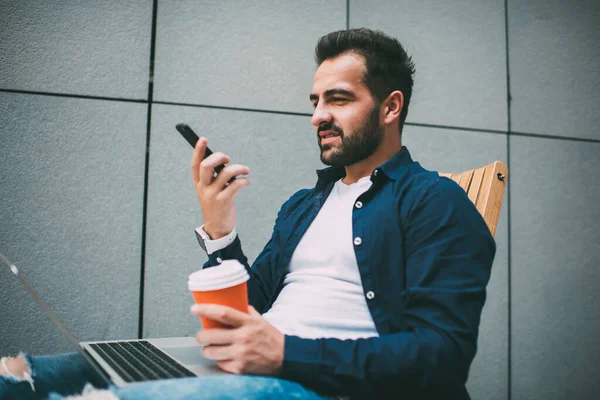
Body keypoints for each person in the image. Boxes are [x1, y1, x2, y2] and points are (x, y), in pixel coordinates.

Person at [0, 28, 495, 400]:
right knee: (23, 377)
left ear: (391, 108)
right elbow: (244, 310)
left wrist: (284, 353)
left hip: (318, 385)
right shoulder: (305, 205)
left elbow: (442, 355)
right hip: (251, 374)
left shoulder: (435, 201)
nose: (318, 114)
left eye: (338, 99)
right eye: (316, 100)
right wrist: (219, 228)